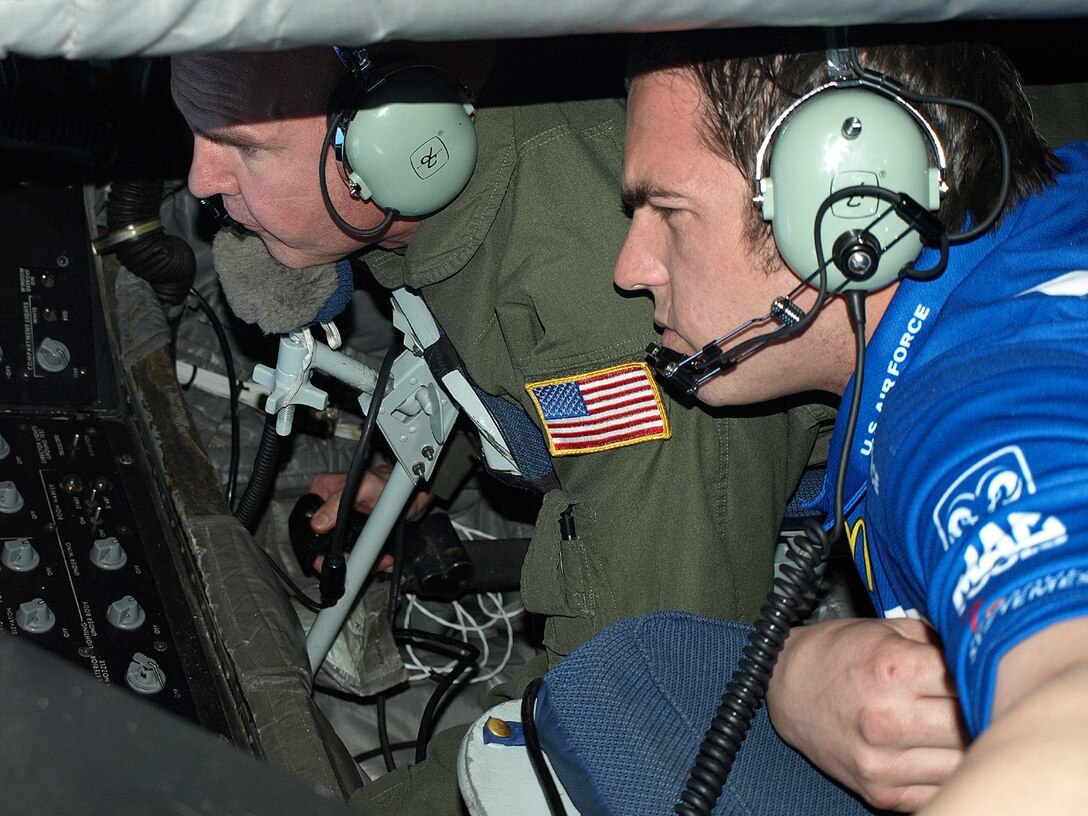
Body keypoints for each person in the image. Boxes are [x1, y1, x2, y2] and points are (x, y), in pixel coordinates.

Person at [169, 40, 834, 813]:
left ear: (393, 142)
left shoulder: (604, 321)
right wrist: (421, 478)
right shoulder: (432, 195)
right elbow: (490, 348)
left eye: (242, 145)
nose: (199, 180)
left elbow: (626, 714)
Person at [539, 25, 1087, 816]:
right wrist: (794, 673)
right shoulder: (1049, 213)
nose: (631, 269)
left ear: (849, 205)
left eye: (668, 210)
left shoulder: (978, 415)